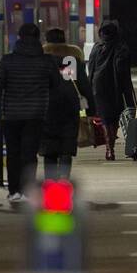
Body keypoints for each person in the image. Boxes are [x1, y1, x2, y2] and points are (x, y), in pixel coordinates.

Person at [0, 22, 64, 202]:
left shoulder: (7, 60)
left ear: (19, 38)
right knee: (29, 154)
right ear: (38, 38)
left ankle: (14, 191)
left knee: (13, 154)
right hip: (36, 115)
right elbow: (56, 85)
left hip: (11, 115)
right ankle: (28, 190)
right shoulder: (47, 61)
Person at [41, 27, 97, 179]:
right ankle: (64, 180)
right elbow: (84, 86)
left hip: (47, 107)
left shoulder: (42, 60)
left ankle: (50, 182)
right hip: (70, 107)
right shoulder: (72, 60)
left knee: (49, 149)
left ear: (47, 41)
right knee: (66, 147)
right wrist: (91, 110)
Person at [88, 20, 135, 161]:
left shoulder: (97, 48)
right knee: (114, 118)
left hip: (99, 87)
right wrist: (129, 97)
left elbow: (91, 70)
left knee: (104, 118)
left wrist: (88, 91)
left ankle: (109, 148)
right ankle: (111, 145)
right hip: (116, 87)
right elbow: (125, 73)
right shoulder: (122, 48)